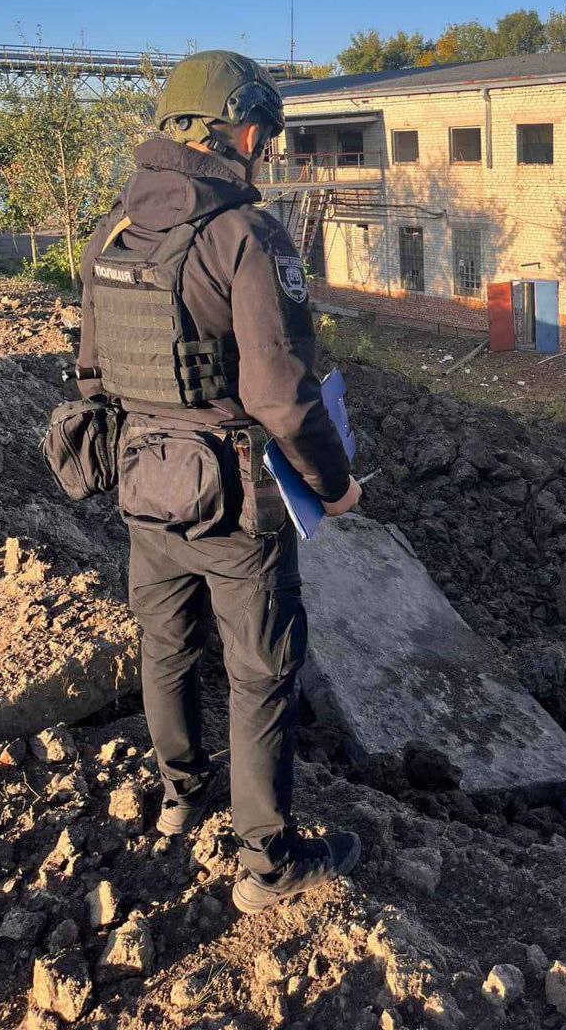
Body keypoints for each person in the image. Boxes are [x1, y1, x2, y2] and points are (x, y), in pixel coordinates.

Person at [75, 50, 362, 913]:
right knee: (261, 672)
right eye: (265, 136)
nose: (266, 153)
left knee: (164, 647)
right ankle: (268, 864)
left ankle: (179, 796)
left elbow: (92, 374)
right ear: (237, 131)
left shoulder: (111, 233)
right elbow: (282, 395)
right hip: (236, 502)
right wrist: (336, 485)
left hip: (143, 489)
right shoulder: (244, 235)